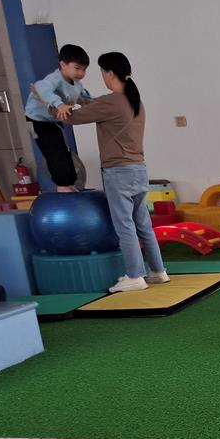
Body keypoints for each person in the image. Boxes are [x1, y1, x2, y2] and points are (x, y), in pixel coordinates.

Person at [67, 52, 168, 293]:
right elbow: (95, 106)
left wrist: (49, 103)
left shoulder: (112, 101)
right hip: (138, 170)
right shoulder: (134, 101)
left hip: (119, 172)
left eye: (102, 72)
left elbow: (72, 118)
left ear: (110, 73)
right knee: (142, 224)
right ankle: (158, 271)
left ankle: (135, 276)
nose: (102, 77)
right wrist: (77, 95)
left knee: (125, 226)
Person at [24, 44, 94, 192]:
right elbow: (42, 88)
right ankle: (62, 185)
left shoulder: (77, 84)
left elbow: (86, 97)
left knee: (65, 151)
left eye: (84, 69)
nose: (81, 73)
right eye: (77, 68)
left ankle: (70, 182)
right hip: (37, 120)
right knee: (54, 151)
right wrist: (59, 104)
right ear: (63, 65)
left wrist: (100, 103)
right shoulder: (54, 79)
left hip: (53, 121)